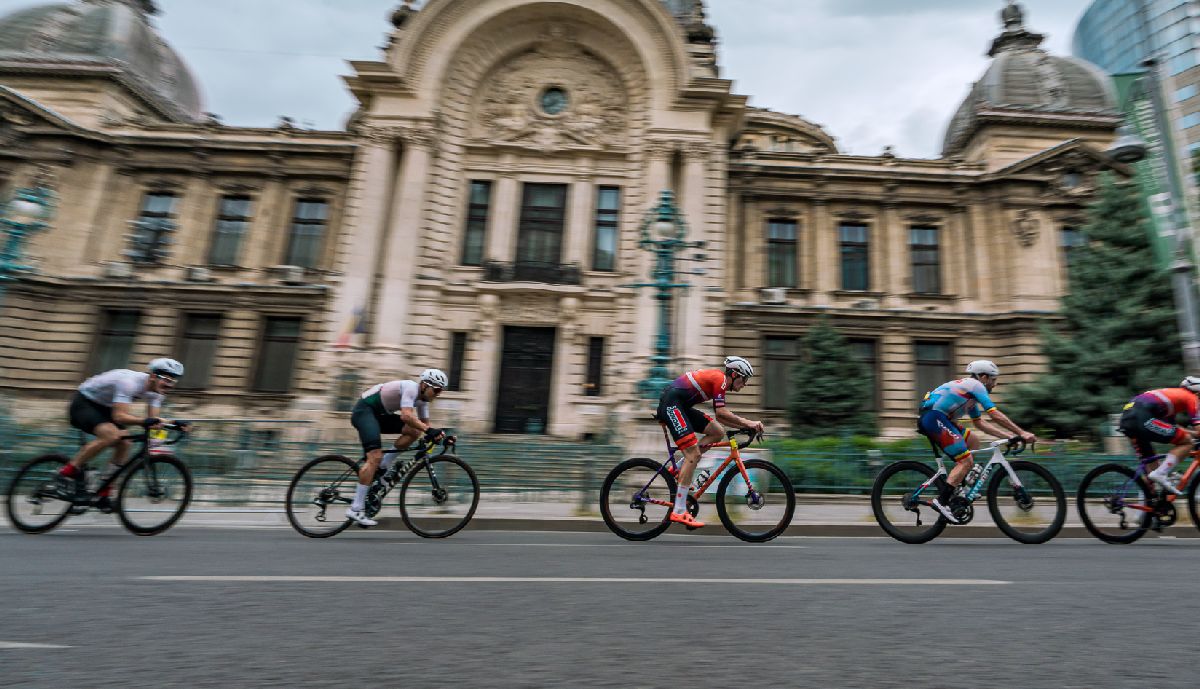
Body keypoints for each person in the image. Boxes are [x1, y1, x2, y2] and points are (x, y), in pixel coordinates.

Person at [58, 358, 189, 510]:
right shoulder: (129, 383)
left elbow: (154, 422)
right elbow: (119, 417)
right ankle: (65, 473)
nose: (169, 385)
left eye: (173, 381)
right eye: (166, 379)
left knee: (125, 443)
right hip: (84, 402)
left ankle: (104, 493)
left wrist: (174, 424)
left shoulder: (158, 393)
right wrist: (144, 422)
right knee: (111, 435)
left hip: (105, 408)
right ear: (153, 376)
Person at [917, 360, 1038, 523]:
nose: (994, 384)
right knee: (965, 461)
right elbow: (994, 414)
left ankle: (959, 489)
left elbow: (979, 423)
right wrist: (1021, 432)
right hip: (933, 417)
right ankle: (941, 501)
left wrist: (1007, 436)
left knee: (973, 441)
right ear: (983, 377)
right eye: (993, 380)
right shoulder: (976, 385)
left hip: (941, 419)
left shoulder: (970, 394)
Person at [653, 356, 764, 528]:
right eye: (744, 379)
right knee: (693, 455)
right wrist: (749, 423)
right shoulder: (720, 380)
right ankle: (679, 511)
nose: (745, 384)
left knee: (717, 432)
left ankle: (678, 468)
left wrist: (746, 426)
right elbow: (721, 413)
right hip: (672, 404)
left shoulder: (720, 382)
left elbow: (722, 419)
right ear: (734, 374)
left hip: (680, 405)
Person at [346, 368, 448, 527]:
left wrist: (441, 437)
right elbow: (406, 415)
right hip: (364, 411)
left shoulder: (422, 401)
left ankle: (384, 465)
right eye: (436, 390)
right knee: (374, 457)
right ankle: (356, 509)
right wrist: (429, 430)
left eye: (440, 391)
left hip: (380, 415)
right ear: (424, 385)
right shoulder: (410, 388)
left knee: (414, 431)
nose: (438, 394)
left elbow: (425, 426)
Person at [1118, 376, 1200, 495]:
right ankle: (1161, 473)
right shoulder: (1191, 397)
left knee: (1152, 469)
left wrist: (1190, 433)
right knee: (1187, 442)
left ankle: (1148, 503)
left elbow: (1173, 428)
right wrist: (1192, 435)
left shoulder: (1170, 397)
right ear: (1197, 392)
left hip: (1127, 419)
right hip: (1142, 417)